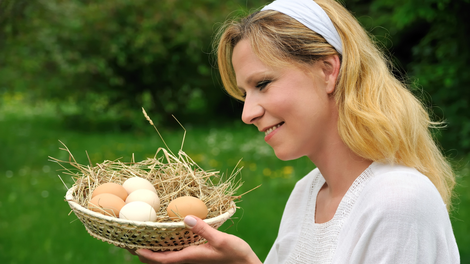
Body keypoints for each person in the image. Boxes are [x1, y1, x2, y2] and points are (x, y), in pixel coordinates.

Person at [130, 0, 460, 263]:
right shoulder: (308, 193)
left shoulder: (398, 201)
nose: (247, 113)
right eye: (246, 94)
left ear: (328, 70)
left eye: (263, 84)